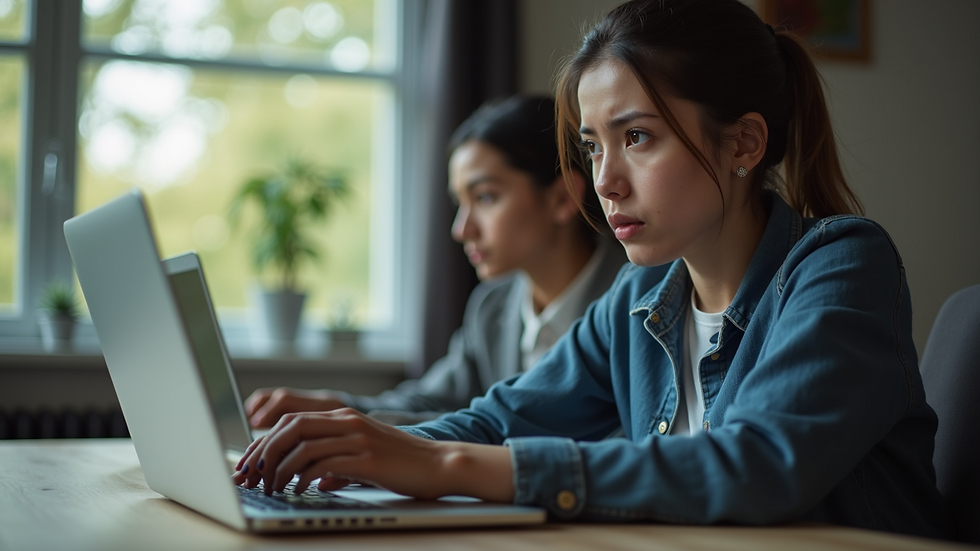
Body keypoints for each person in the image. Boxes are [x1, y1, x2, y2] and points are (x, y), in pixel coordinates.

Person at [232, 0, 952, 539]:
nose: (604, 182)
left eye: (636, 137)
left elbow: (759, 466)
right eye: (592, 146)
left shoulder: (841, 263)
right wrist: (365, 448)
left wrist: (443, 466)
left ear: (743, 143)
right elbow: (500, 418)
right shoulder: (640, 295)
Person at [244, 95, 627, 428]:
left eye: (486, 197)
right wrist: (341, 409)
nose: (462, 229)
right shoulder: (493, 307)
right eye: (460, 202)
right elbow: (434, 401)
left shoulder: (637, 305)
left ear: (562, 198)